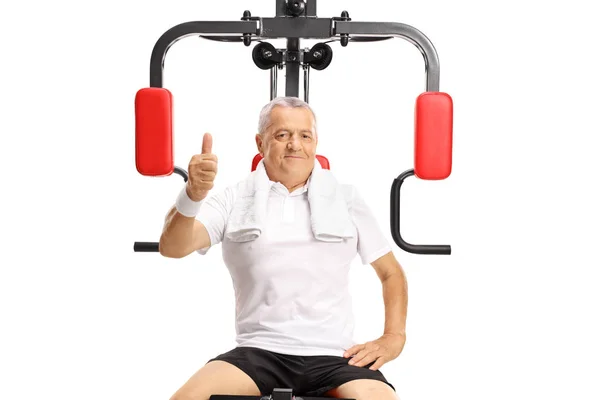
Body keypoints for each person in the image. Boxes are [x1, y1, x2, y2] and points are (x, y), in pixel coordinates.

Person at [159, 97, 408, 400]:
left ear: (316, 142)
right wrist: (192, 194)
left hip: (335, 356)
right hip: (259, 352)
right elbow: (173, 247)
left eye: (305, 135)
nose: (295, 145)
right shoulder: (234, 199)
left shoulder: (346, 199)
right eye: (282, 135)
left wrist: (393, 337)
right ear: (260, 143)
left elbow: (391, 274)